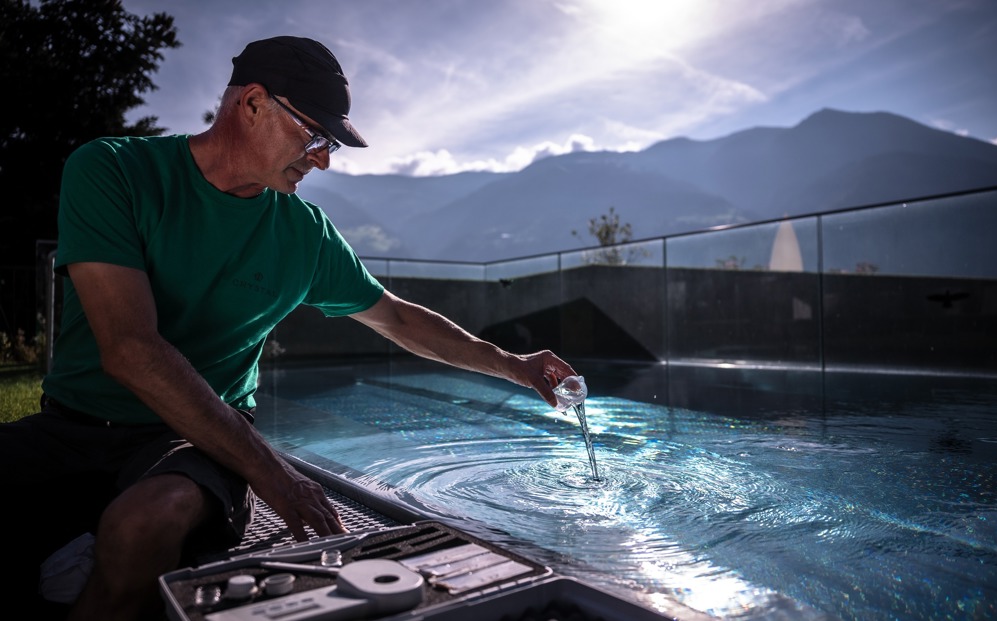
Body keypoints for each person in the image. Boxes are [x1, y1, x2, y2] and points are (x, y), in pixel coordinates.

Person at [0, 35, 577, 621]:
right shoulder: (114, 170)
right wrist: (276, 473)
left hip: (199, 442)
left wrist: (513, 364)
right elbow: (128, 349)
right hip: (70, 428)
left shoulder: (304, 234)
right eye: (317, 136)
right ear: (253, 103)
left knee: (142, 523)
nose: (324, 159)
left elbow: (396, 316)